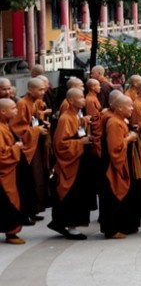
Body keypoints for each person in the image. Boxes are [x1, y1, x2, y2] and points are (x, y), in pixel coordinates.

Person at [48, 88, 94, 239]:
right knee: (72, 195)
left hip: (78, 161)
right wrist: (81, 142)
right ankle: (70, 226)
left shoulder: (75, 116)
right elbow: (60, 145)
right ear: (71, 101)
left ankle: (62, 224)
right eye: (80, 97)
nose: (84, 100)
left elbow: (77, 131)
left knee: (78, 195)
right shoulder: (65, 118)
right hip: (70, 164)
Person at [98, 94, 141, 238]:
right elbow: (115, 148)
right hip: (114, 166)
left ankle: (124, 226)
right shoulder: (114, 123)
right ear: (119, 107)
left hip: (124, 162)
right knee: (113, 195)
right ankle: (112, 229)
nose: (131, 108)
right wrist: (129, 138)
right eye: (129, 106)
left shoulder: (120, 120)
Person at [11, 77, 48, 224]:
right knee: (25, 182)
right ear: (30, 90)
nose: (42, 92)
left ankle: (33, 210)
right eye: (40, 89)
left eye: (43, 89)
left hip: (34, 146)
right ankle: (24, 214)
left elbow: (31, 121)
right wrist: (36, 129)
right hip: (25, 149)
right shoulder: (22, 103)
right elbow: (16, 128)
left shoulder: (35, 103)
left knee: (36, 179)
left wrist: (40, 123)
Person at [0, 98, 26, 244]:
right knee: (9, 200)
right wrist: (16, 147)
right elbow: (2, 156)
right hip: (4, 173)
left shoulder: (5, 125)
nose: (17, 110)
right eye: (13, 108)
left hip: (11, 171)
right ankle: (11, 232)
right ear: (3, 111)